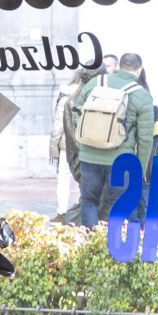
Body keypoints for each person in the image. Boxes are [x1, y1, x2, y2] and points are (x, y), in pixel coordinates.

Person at [70, 52, 155, 227]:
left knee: (89, 201)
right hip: (121, 160)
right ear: (139, 70)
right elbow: (145, 139)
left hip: (89, 156)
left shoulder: (96, 83)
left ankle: (90, 245)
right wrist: (139, 168)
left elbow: (75, 115)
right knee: (120, 204)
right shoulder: (141, 95)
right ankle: (116, 248)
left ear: (118, 67)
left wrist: (84, 144)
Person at [51, 59, 98, 220]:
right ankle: (80, 211)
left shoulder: (67, 94)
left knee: (64, 178)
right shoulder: (97, 92)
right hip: (89, 144)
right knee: (86, 179)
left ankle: (62, 212)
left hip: (67, 144)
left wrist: (53, 147)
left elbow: (58, 124)